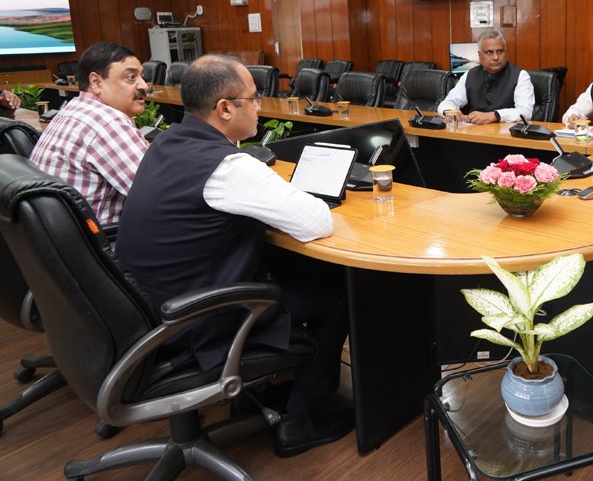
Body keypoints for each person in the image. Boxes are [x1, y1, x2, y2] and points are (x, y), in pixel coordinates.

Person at [115, 54, 352, 459]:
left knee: (288, 270)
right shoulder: (228, 167)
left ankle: (254, 396)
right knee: (335, 293)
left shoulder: (165, 142)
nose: (259, 106)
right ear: (225, 108)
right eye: (253, 98)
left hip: (149, 310)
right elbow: (316, 222)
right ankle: (299, 417)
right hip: (194, 322)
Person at [30, 42, 149, 224]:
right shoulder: (107, 122)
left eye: (142, 77)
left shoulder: (74, 108)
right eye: (131, 78)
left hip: (60, 233)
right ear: (96, 82)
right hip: (102, 237)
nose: (144, 86)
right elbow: (160, 194)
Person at [437, 29, 535, 124]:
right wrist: (449, 111)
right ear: (479, 55)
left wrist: (494, 116)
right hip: (474, 133)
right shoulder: (470, 75)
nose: (496, 57)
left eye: (500, 51)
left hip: (505, 134)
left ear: (505, 52)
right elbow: (447, 103)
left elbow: (525, 112)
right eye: (489, 52)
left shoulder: (520, 76)